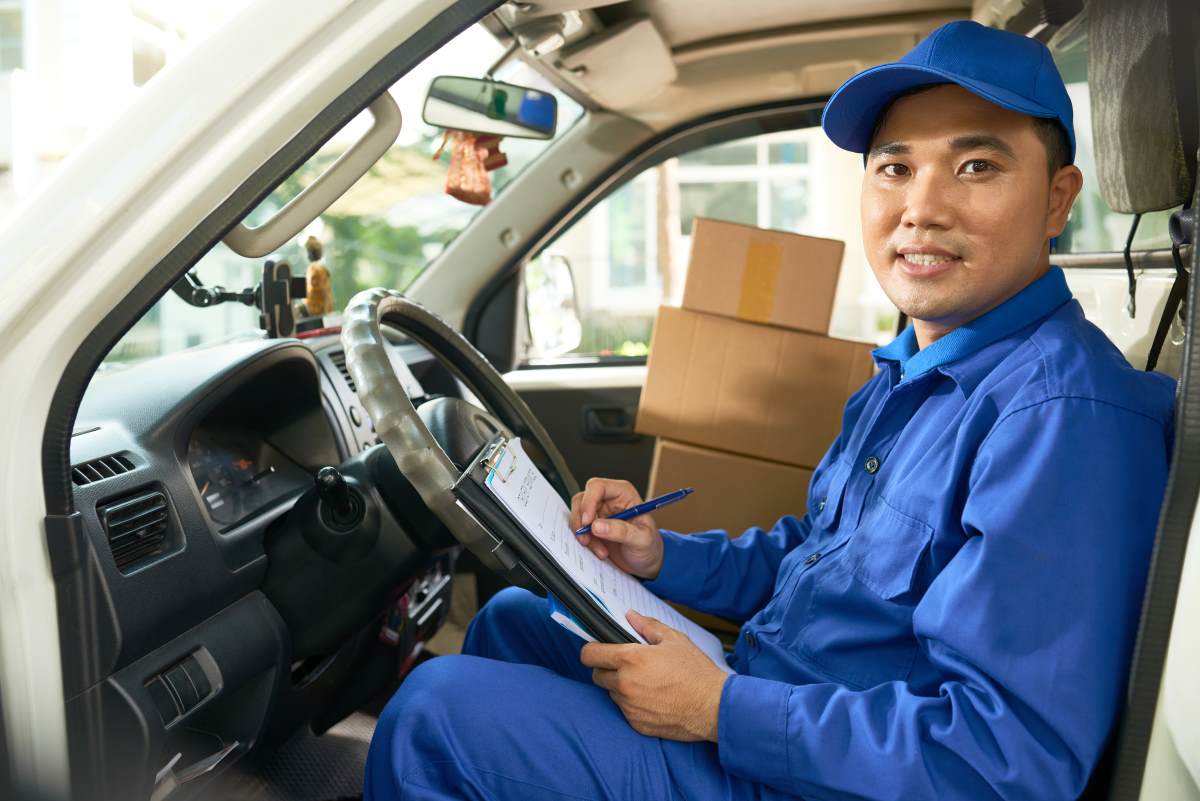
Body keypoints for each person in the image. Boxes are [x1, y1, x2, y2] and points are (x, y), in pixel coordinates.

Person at [364, 20, 1175, 801]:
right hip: (780, 700)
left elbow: (1006, 761)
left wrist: (717, 708)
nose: (921, 207)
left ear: (1058, 199)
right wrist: (657, 558)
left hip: (816, 772)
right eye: (894, 167)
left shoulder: (1062, 419)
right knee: (515, 618)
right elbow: (817, 556)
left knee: (436, 714)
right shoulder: (914, 365)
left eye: (976, 167)